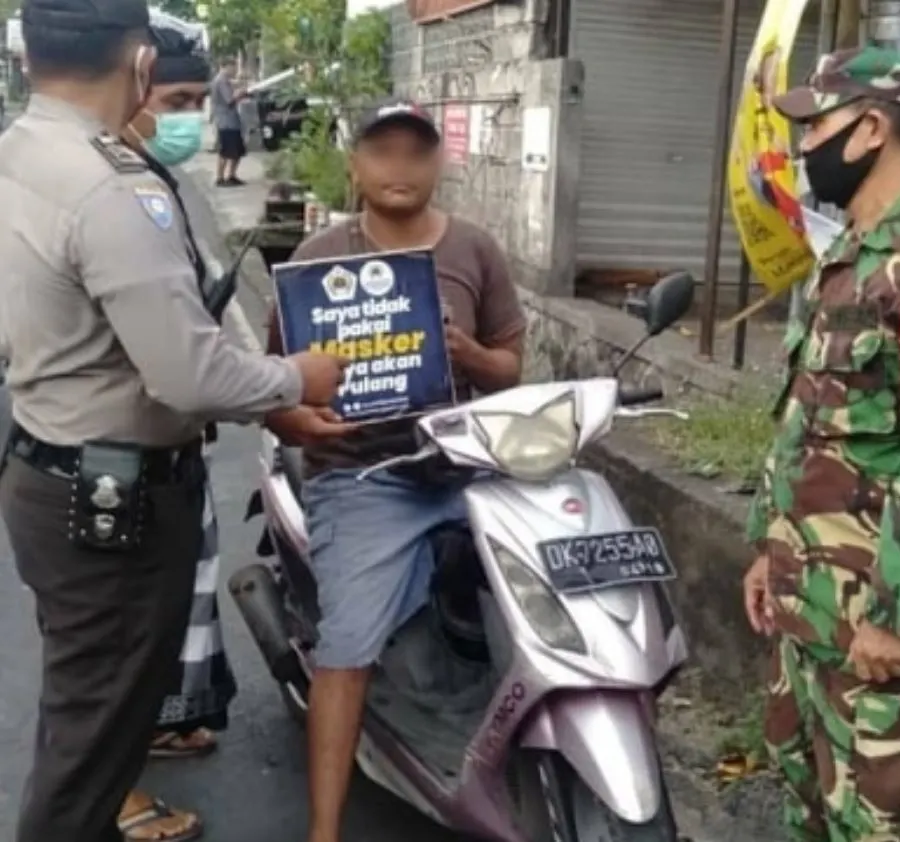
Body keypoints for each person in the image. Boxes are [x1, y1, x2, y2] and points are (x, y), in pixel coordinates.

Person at [0, 1, 348, 841]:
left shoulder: (18, 154)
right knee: (93, 747)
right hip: (111, 504)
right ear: (141, 61)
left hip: (52, 473)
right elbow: (191, 372)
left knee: (85, 715)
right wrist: (294, 376)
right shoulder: (109, 188)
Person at [265, 97, 527, 842]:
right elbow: (273, 392)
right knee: (347, 650)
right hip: (359, 475)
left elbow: (510, 366)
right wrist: (300, 418)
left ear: (439, 164)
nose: (400, 168)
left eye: (417, 153)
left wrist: (469, 355)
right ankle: (324, 830)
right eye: (382, 153)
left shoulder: (476, 249)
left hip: (466, 461)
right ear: (356, 165)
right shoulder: (317, 258)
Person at [744, 46, 900, 842]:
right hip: (810, 609)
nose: (800, 145)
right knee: (807, 801)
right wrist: (765, 546)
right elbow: (804, 421)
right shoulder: (847, 255)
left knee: (878, 824)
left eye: (815, 124)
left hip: (877, 635)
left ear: (873, 128)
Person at [113, 22, 228, 842]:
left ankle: (156, 721)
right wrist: (282, 389)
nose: (190, 119)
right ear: (135, 94)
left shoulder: (169, 184)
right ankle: (111, 791)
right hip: (116, 452)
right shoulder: (109, 192)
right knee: (113, 628)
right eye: (176, 102)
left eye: (199, 103)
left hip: (175, 438)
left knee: (175, 600)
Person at [210, 56, 247, 187]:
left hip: (230, 121)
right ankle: (220, 178)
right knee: (226, 151)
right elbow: (229, 100)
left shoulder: (224, 80)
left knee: (236, 151)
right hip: (226, 122)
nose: (235, 70)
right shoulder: (221, 81)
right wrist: (241, 93)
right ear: (226, 66)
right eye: (234, 67)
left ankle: (231, 175)